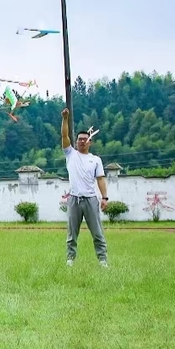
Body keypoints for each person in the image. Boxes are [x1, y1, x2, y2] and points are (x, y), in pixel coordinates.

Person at [61, 108, 109, 267]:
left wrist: (104, 197)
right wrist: (65, 119)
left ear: (90, 142)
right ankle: (70, 260)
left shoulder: (95, 160)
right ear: (76, 142)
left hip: (90, 200)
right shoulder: (70, 154)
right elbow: (64, 135)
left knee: (97, 232)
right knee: (72, 233)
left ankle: (103, 261)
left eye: (85, 139)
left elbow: (100, 179)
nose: (82, 141)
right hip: (74, 199)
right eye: (79, 139)